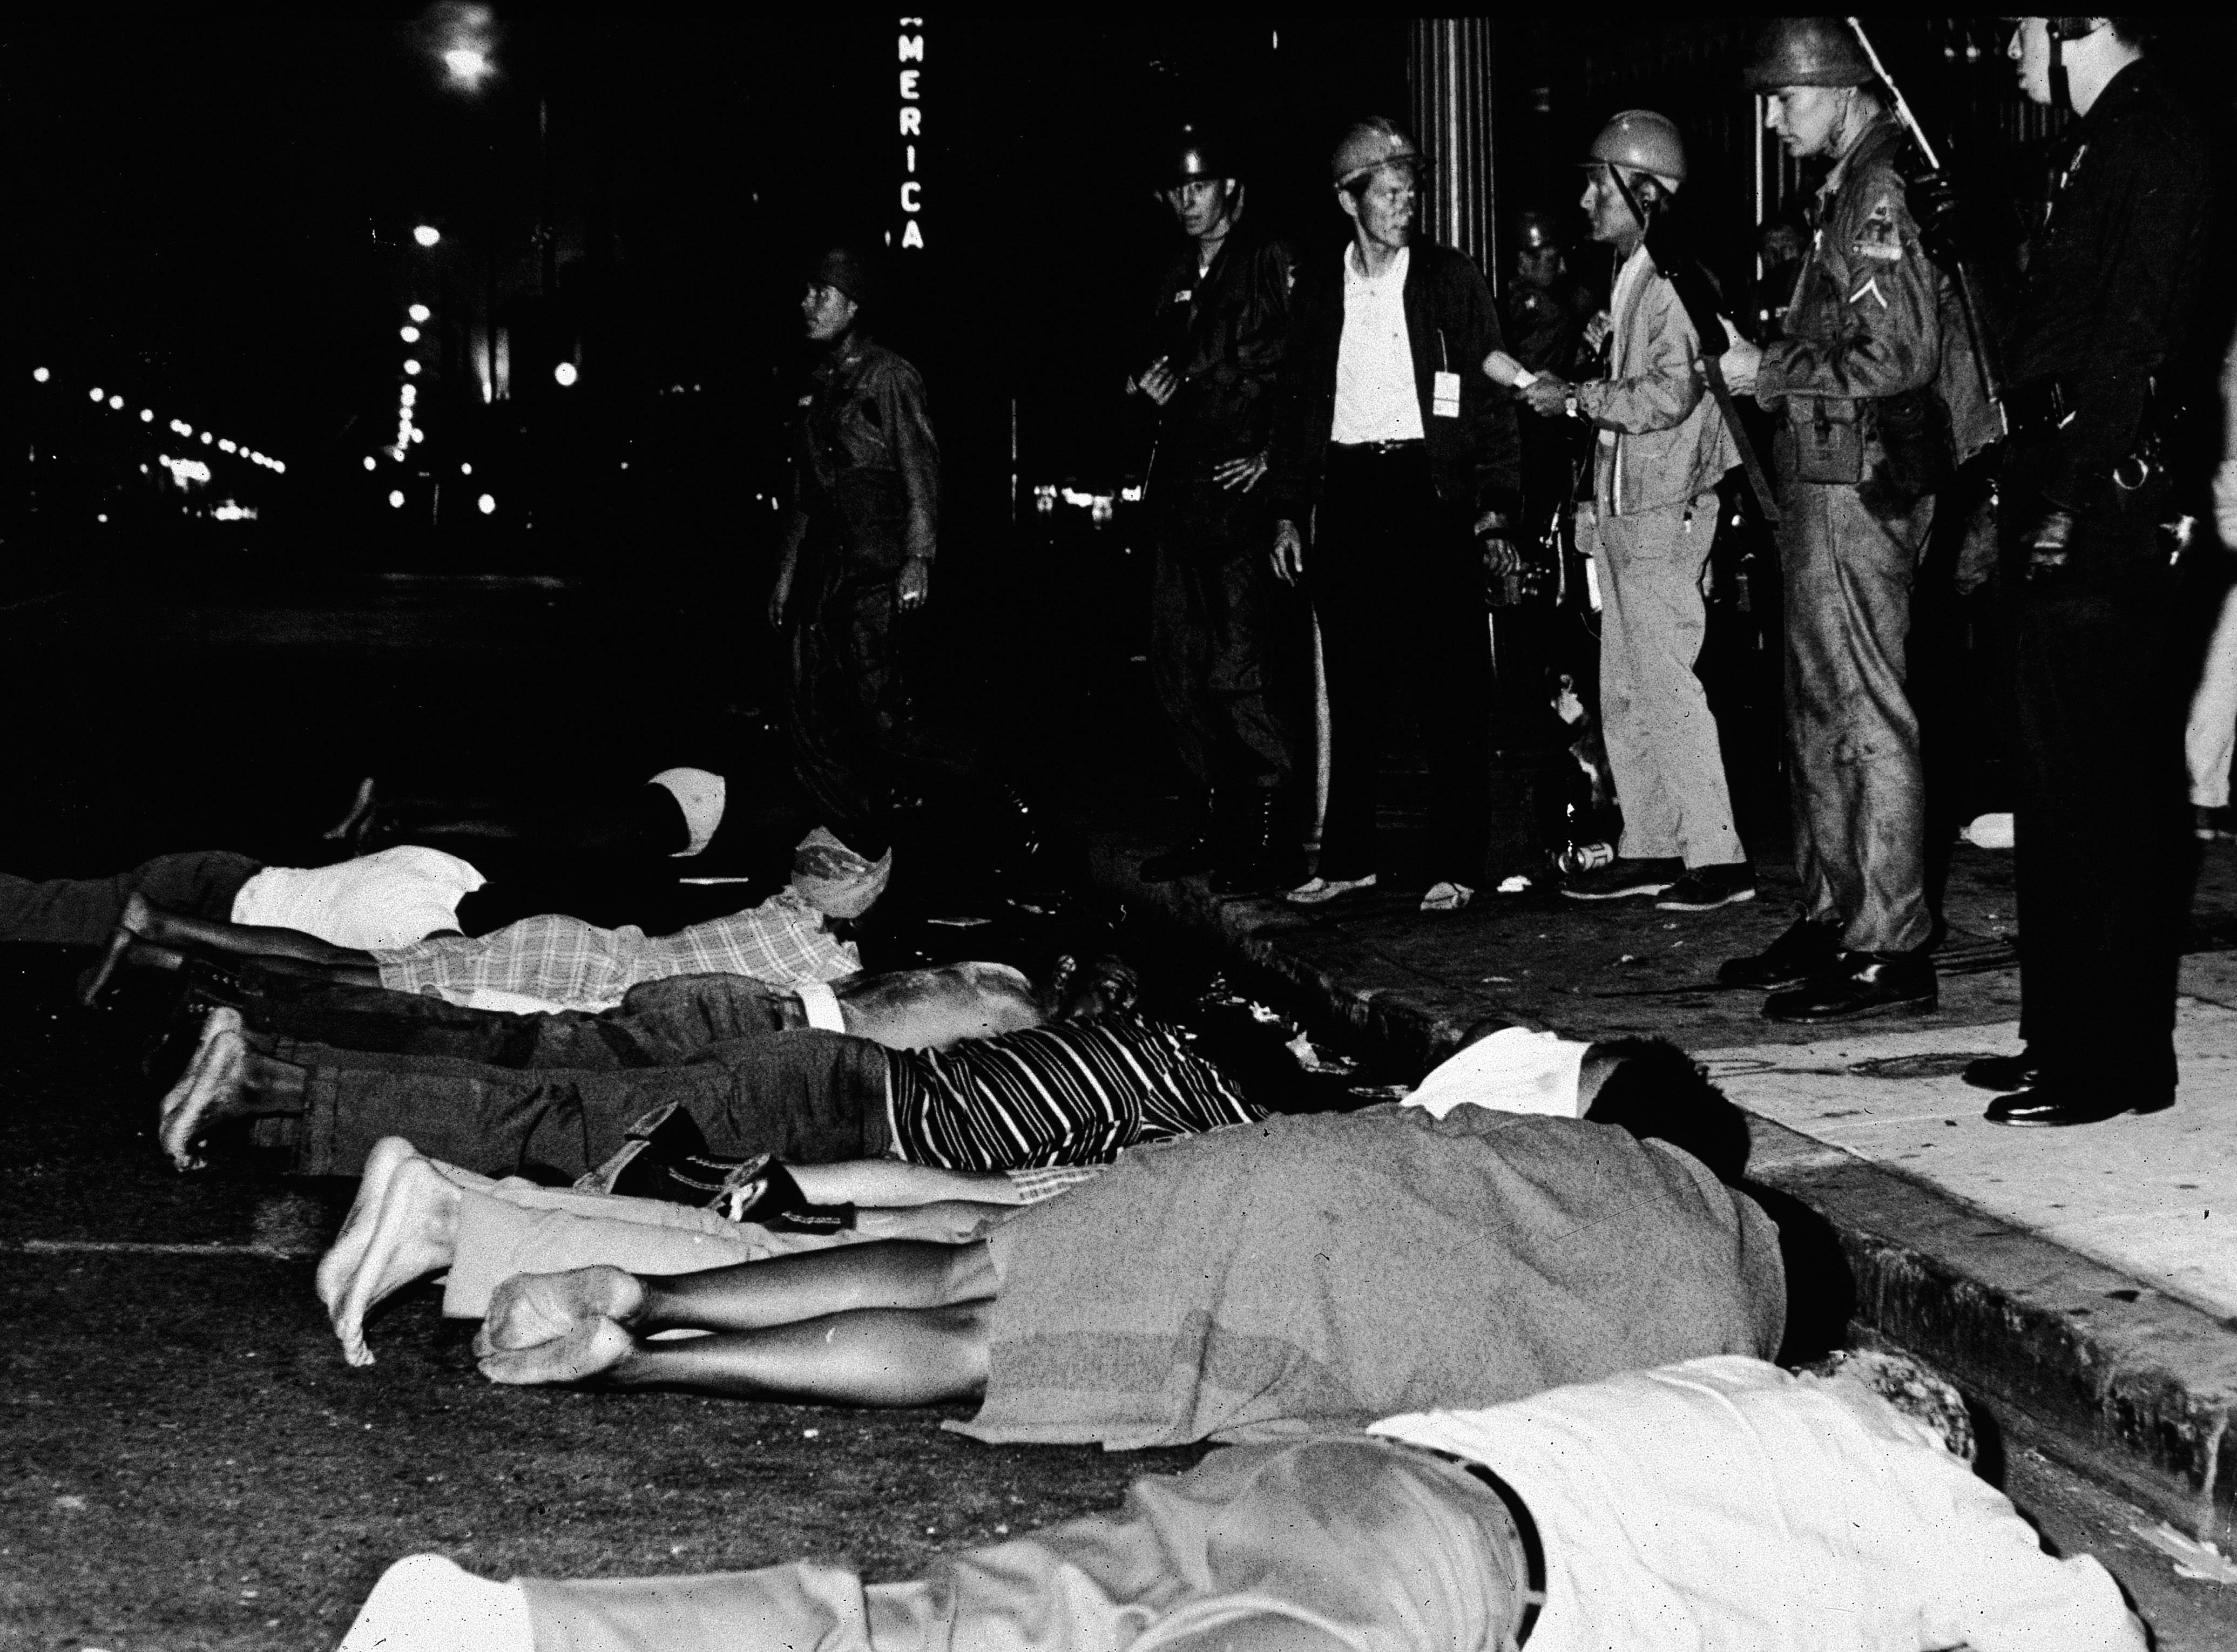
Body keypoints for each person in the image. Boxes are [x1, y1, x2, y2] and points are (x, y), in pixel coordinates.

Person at [337, 1353, 2147, 1652]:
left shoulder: (1728, 1393)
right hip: (1458, 1576)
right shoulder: (1920, 1498)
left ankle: (501, 1621)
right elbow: (2082, 1626)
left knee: (942, 1622)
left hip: (1343, 1474)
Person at [418, 1093, 1785, 1447]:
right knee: (978, 1354)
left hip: (1294, 1177)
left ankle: (655, 1292)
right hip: (1313, 1316)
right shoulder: (1710, 1362)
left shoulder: (1654, 1171)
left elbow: (1448, 1131)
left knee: (970, 1264)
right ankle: (649, 1362)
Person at [1716, 18, 1992, 1021]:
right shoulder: (1847, 185)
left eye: (1783, 99)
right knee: (1817, 708)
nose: (1773, 118)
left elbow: (1897, 359)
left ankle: (1888, 945)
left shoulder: (1877, 190)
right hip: (1826, 476)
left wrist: (1767, 370)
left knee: (1866, 711)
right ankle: (1836, 914)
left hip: (1863, 480)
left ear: (1837, 88)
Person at [1965, 19, 2210, 1127]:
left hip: (2101, 494)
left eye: (2017, 23)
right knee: (2058, 783)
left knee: (2096, 785)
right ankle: (2065, 1036)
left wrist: (2070, 494)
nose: (2005, 49)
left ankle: (2110, 1063)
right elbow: (2054, 323)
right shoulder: (2099, 140)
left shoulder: (2149, 138)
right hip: (2068, 479)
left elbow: (2134, 340)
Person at [153, 996, 1261, 1181]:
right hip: (830, 1111)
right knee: (546, 1125)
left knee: (540, 1091)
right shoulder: (1211, 1116)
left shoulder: (1144, 1042)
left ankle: (278, 1072)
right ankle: (263, 1077)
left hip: (828, 1073)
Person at [1267, 117, 1524, 913]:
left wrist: (1497, 507)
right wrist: (1284, 510)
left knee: (1447, 684)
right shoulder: (1317, 286)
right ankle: (1348, 857)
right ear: (1348, 199)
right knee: (1352, 683)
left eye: (1410, 189)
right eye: (1387, 191)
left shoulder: (1450, 277)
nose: (1403, 204)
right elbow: (1296, 406)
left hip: (1427, 489)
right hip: (1347, 489)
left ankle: (1456, 863)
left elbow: (1489, 400)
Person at [1516, 112, 1753, 914]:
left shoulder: (1672, 282)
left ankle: (1717, 857)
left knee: (1665, 683)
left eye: (1598, 184)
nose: (1585, 201)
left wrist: (1575, 398)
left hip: (1663, 508)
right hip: (1623, 508)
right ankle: (1649, 843)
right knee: (1622, 686)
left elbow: (1667, 394)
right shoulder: (1631, 279)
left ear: (1643, 194)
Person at [1128, 125, 1306, 894]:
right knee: (1176, 666)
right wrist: (1143, 391)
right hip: (1179, 493)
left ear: (1230, 188)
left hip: (1241, 495)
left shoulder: (1271, 261)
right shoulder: (1170, 273)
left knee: (1240, 667)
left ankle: (1271, 834)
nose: (1187, 202)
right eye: (1176, 191)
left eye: (1198, 187)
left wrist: (1277, 461)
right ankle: (1214, 822)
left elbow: (1309, 369)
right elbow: (1150, 375)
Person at [767, 248, 940, 863]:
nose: (808, 304)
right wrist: (786, 578)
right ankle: (857, 834)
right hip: (825, 566)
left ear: (855, 304)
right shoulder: (818, 384)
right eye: (807, 291)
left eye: (823, 293)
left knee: (882, 711)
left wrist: (918, 558)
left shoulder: (890, 376)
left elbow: (920, 472)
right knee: (804, 702)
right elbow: (803, 496)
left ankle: (984, 799)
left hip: (876, 562)